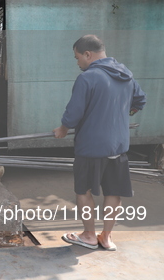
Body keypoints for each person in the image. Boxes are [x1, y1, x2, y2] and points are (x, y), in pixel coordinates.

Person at [54, 35, 146, 251]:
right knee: (113, 193)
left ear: (88, 54)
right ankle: (106, 237)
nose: (78, 63)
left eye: (77, 58)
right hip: (119, 147)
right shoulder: (126, 75)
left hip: (92, 147)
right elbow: (140, 100)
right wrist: (125, 112)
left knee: (83, 191)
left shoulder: (88, 78)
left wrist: (63, 129)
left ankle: (88, 235)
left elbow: (74, 114)